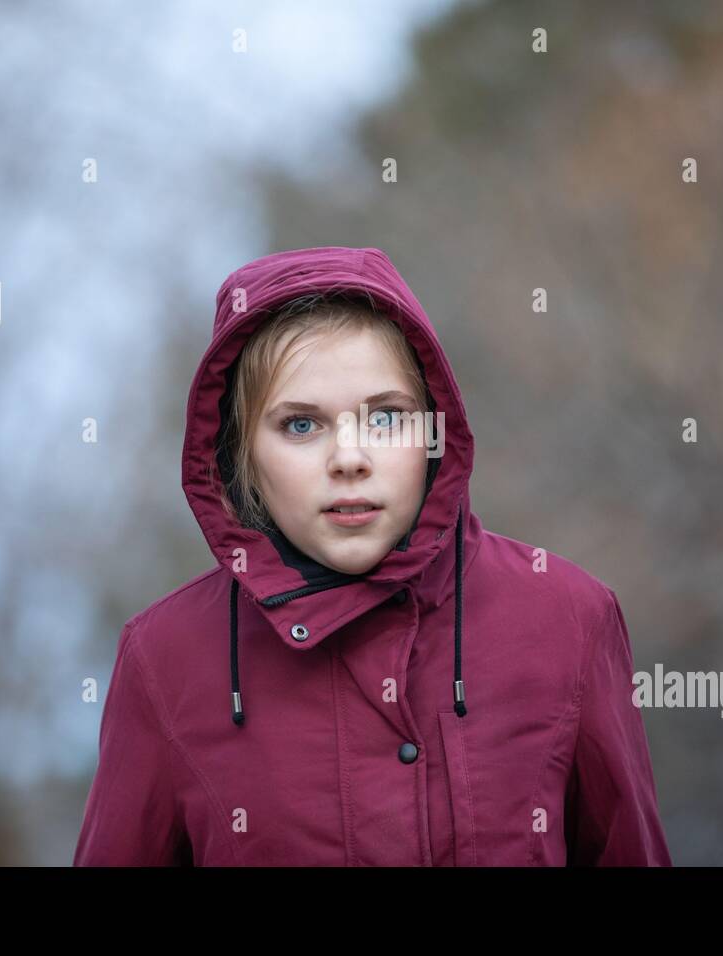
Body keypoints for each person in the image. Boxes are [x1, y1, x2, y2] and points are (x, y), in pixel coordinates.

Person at [73, 245, 672, 866]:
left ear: (434, 431)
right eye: (301, 425)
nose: (350, 458)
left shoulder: (569, 617)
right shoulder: (166, 657)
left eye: (386, 417)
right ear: (239, 455)